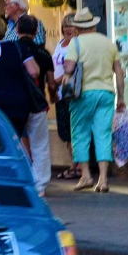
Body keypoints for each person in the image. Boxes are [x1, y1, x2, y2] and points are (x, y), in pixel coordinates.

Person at [62, 7, 126, 193]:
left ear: (77, 28)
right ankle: (103, 179)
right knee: (103, 134)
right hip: (106, 93)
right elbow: (119, 73)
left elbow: (68, 69)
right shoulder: (109, 43)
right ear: (93, 26)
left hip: (83, 94)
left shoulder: (75, 43)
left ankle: (86, 176)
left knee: (80, 133)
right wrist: (121, 97)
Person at [17, 15, 55, 196]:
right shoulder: (44, 53)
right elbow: (51, 83)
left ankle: (23, 180)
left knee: (17, 142)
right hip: (37, 103)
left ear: (17, 30)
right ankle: (40, 186)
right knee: (39, 144)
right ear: (36, 31)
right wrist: (53, 95)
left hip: (16, 103)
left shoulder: (12, 49)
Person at [52, 13, 81, 180]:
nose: (67, 29)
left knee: (74, 130)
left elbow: (74, 68)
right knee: (65, 132)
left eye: (71, 25)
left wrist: (57, 80)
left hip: (71, 92)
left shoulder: (77, 44)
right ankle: (74, 165)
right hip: (60, 93)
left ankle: (77, 166)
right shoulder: (60, 43)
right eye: (65, 26)